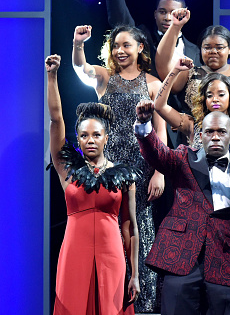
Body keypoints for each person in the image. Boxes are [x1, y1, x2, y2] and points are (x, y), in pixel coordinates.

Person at [134, 103, 230, 315]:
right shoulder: (183, 157)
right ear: (200, 136)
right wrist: (144, 126)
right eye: (209, 132)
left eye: (221, 131)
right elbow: (158, 155)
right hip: (181, 261)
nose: (215, 137)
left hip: (226, 266)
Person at [72, 24, 167, 313]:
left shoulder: (152, 84)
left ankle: (142, 304)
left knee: (139, 234)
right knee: (109, 236)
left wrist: (160, 171)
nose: (119, 50)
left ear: (140, 48)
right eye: (115, 45)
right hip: (107, 172)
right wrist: (78, 44)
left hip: (141, 170)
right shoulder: (105, 78)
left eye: (126, 45)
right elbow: (81, 68)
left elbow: (160, 131)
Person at [46, 54, 140, 314]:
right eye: (84, 135)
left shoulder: (123, 176)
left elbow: (130, 227)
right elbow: (56, 120)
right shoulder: (68, 169)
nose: (90, 140)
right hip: (75, 252)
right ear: (77, 137)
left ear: (106, 138)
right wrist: (52, 76)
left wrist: (135, 274)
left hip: (112, 254)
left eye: (96, 135)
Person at [102, 0, 201, 147]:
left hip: (184, 135)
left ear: (185, 14)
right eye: (162, 12)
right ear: (155, 13)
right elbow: (120, 20)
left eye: (173, 12)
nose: (167, 17)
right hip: (144, 126)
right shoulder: (142, 38)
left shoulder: (195, 52)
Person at [155, 12, 230, 142]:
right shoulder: (189, 73)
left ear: (229, 49)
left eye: (219, 47)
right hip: (194, 148)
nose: (213, 51)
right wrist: (175, 27)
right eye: (207, 47)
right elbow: (163, 66)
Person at [154, 57, 230, 163]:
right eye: (209, 95)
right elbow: (159, 106)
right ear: (204, 99)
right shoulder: (193, 126)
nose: (215, 99)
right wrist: (175, 70)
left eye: (221, 94)